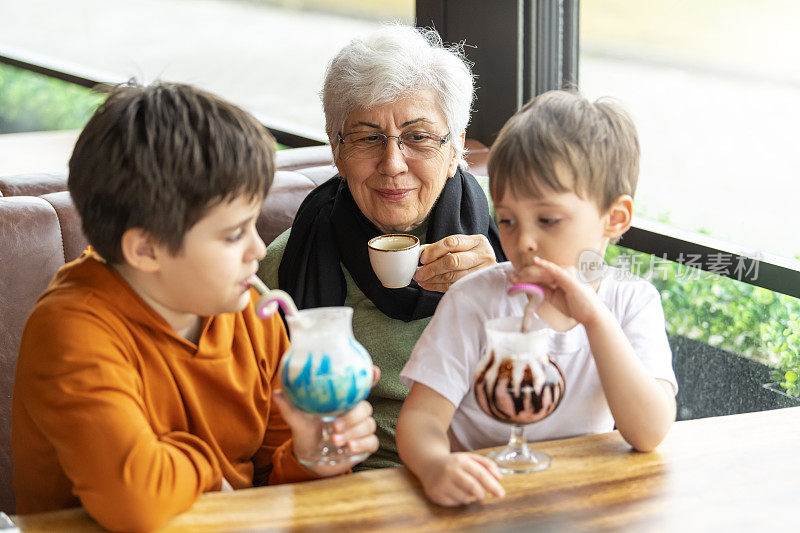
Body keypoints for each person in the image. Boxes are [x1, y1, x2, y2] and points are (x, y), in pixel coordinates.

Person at [12, 82, 378, 531]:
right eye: (232, 235)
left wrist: (314, 454)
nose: (258, 250)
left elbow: (277, 494)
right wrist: (213, 473)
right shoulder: (72, 328)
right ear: (145, 249)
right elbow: (135, 500)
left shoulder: (249, 310)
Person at [396, 90, 678, 506]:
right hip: (486, 496)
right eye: (507, 220)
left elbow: (649, 431)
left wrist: (595, 319)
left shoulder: (631, 302)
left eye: (548, 220)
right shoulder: (474, 300)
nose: (523, 241)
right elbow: (420, 419)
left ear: (614, 219)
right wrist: (436, 465)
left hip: (584, 501)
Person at [258, 25, 505, 470]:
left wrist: (501, 293)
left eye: (419, 136)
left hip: (496, 468)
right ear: (337, 151)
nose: (392, 164)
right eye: (368, 138)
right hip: (362, 486)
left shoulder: (510, 240)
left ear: (453, 151)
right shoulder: (283, 268)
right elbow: (259, 434)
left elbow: (567, 375)